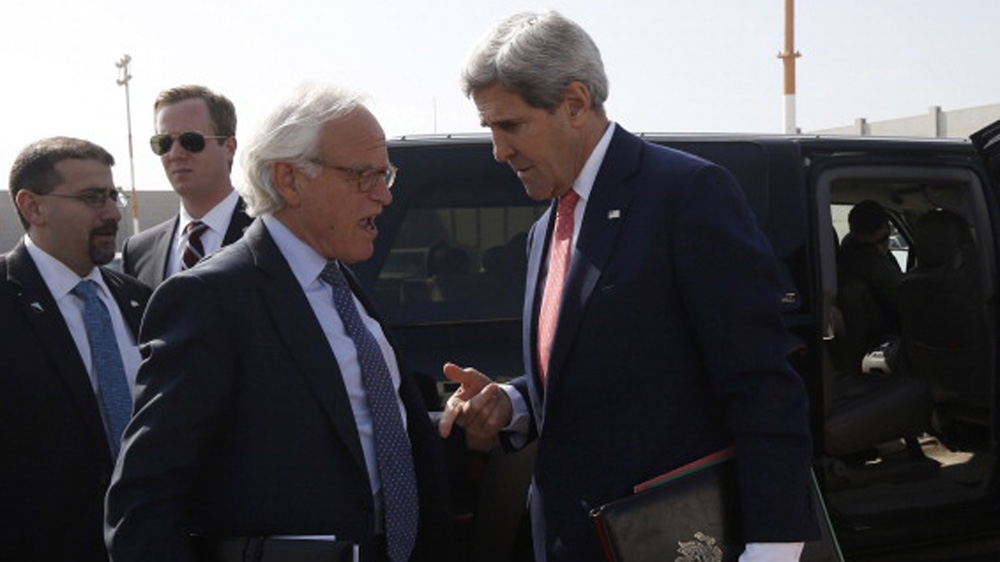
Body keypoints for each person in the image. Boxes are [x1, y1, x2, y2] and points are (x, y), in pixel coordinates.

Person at [438, 11, 817, 562]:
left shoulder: (687, 195)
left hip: (673, 540)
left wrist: (774, 547)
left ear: (574, 102)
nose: (498, 151)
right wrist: (515, 400)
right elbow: (605, 365)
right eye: (489, 129)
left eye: (511, 126)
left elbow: (761, 383)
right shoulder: (547, 227)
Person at [105, 83, 455, 562]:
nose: (383, 196)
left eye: (385, 174)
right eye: (364, 175)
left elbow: (367, 437)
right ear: (289, 180)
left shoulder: (342, 284)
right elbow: (145, 498)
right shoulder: (209, 298)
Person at [0, 137, 151, 561]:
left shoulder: (141, 302)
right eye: (92, 198)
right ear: (33, 207)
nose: (112, 213)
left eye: (112, 195)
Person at [121, 84, 252, 287]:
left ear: (228, 147)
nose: (175, 154)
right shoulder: (139, 251)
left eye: (191, 141)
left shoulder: (274, 233)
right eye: (163, 143)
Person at [838, 199, 903, 339]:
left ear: (889, 228)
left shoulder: (851, 251)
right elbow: (907, 301)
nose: (879, 250)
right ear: (856, 238)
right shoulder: (870, 265)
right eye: (869, 245)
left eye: (883, 240)